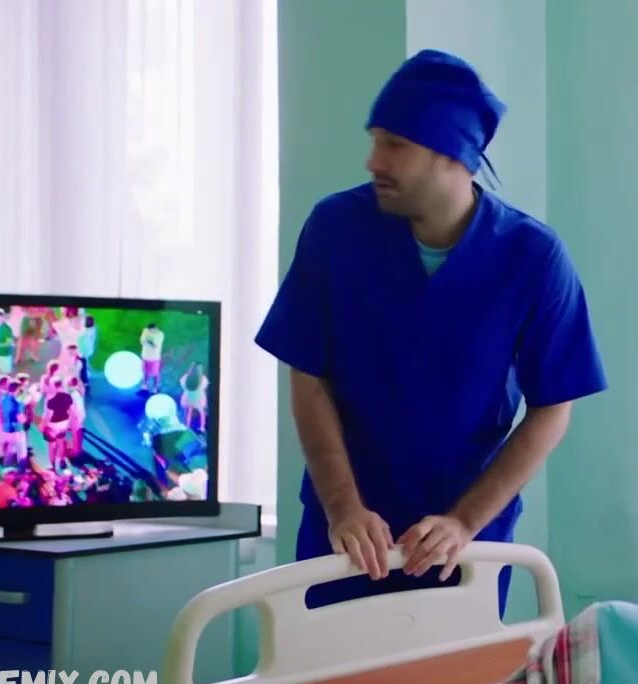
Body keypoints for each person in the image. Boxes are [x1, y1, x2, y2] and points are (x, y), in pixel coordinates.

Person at [255, 49, 607, 616]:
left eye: (395, 145)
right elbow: (308, 375)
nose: (373, 160)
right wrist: (343, 506)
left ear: (452, 154)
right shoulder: (335, 230)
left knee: (453, 674)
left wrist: (465, 521)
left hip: (460, 546)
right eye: (375, 140)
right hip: (345, 537)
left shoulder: (532, 257)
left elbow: (551, 408)